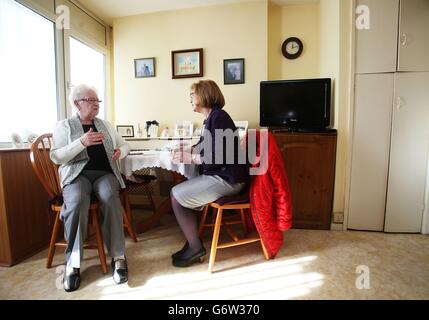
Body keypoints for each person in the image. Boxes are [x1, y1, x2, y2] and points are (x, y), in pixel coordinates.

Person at [50, 84, 130, 292]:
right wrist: (81, 142)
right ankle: (73, 263)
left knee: (110, 197)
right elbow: (56, 156)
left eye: (98, 101)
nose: (96, 105)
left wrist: (119, 152)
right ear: (77, 103)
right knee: (76, 201)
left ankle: (119, 257)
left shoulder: (105, 124)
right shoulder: (64, 126)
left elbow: (125, 145)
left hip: (104, 174)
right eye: (91, 100)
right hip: (77, 176)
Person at [170, 80, 248, 268]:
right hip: (223, 176)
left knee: (175, 196)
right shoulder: (211, 118)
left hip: (229, 179)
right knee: (182, 193)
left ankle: (196, 248)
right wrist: (188, 147)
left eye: (192, 95)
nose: (190, 99)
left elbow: (218, 156)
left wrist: (189, 157)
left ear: (204, 95)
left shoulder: (219, 117)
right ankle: (192, 241)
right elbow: (206, 147)